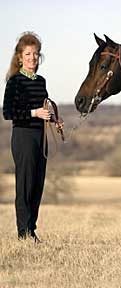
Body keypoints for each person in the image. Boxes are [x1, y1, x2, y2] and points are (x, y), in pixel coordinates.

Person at [2, 32, 61, 242]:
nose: (32, 58)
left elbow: (44, 107)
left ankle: (31, 229)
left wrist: (53, 119)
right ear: (20, 57)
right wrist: (33, 113)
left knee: (37, 184)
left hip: (41, 136)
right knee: (25, 184)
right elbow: (8, 112)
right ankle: (23, 232)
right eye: (28, 54)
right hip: (23, 136)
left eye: (35, 54)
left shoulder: (41, 81)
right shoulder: (15, 82)